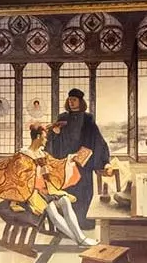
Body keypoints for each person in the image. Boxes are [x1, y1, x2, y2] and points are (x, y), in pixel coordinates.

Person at [45, 88, 113, 237]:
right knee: (67, 195)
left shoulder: (88, 118)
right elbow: (54, 141)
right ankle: (66, 227)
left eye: (74, 100)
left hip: (83, 164)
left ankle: (83, 223)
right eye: (69, 99)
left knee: (83, 194)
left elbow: (97, 140)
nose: (71, 102)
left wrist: (104, 161)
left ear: (80, 102)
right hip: (67, 163)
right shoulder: (63, 117)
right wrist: (56, 134)